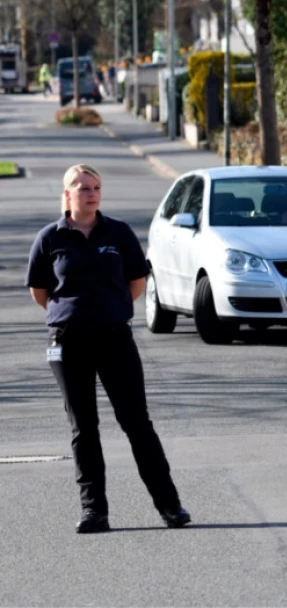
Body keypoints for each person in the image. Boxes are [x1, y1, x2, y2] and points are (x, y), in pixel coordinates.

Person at [25, 164, 191, 534]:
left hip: (115, 338)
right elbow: (41, 291)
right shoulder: (50, 238)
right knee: (84, 428)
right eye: (83, 187)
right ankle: (94, 512)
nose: (91, 193)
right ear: (68, 194)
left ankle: (170, 507)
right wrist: (72, 313)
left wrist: (109, 310)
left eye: (96, 186)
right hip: (68, 343)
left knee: (137, 423)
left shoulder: (118, 233)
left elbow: (135, 282)